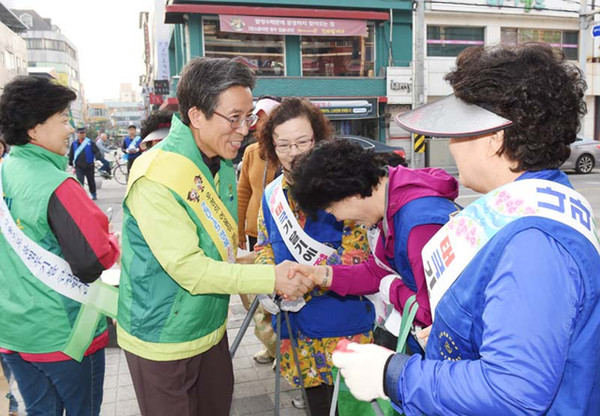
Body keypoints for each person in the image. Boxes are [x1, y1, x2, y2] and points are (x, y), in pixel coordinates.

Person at [329, 43, 600, 415]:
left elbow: (513, 392)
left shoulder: (533, 243)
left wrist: (391, 374)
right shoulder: (530, 208)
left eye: (459, 134)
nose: (452, 147)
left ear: (495, 139)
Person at [117, 57, 312, 416]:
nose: (245, 129)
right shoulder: (156, 176)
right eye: (234, 118)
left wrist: (261, 259)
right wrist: (272, 276)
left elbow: (216, 250)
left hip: (208, 328)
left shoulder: (219, 163)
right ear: (196, 116)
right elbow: (190, 269)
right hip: (162, 339)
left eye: (248, 116)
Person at [0, 76, 120, 415]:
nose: (70, 128)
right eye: (64, 119)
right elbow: (93, 260)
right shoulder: (59, 185)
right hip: (66, 336)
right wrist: (110, 239)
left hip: (13, 333)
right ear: (35, 129)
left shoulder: (3, 172)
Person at [253, 98, 375, 415]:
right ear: (272, 147)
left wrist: (300, 280)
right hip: (296, 330)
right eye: (284, 145)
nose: (294, 153)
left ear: (318, 140)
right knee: (316, 407)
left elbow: (358, 253)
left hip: (344, 325)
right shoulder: (272, 196)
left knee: (354, 408)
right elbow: (264, 244)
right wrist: (268, 279)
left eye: (302, 142)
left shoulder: (344, 188)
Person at [290, 139, 458, 352]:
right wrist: (318, 274)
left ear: (349, 194)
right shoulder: (393, 202)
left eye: (333, 212)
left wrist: (391, 287)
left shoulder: (418, 225)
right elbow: (377, 271)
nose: (341, 220)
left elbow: (432, 310)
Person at [237, 96, 282, 366]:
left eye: (264, 119)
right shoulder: (251, 152)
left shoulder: (286, 152)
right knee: (258, 297)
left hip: (279, 236)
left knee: (278, 295)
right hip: (255, 234)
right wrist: (240, 228)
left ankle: (285, 347)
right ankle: (270, 344)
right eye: (257, 119)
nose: (257, 124)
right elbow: (243, 191)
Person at [69, 126, 102, 200]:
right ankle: (81, 196)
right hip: (79, 166)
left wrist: (98, 159)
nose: (82, 134)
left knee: (91, 181)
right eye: (80, 133)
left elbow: (97, 151)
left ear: (85, 133)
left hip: (89, 165)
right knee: (80, 181)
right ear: (77, 134)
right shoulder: (74, 144)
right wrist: (70, 162)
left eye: (83, 133)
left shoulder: (90, 142)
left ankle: (93, 194)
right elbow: (71, 154)